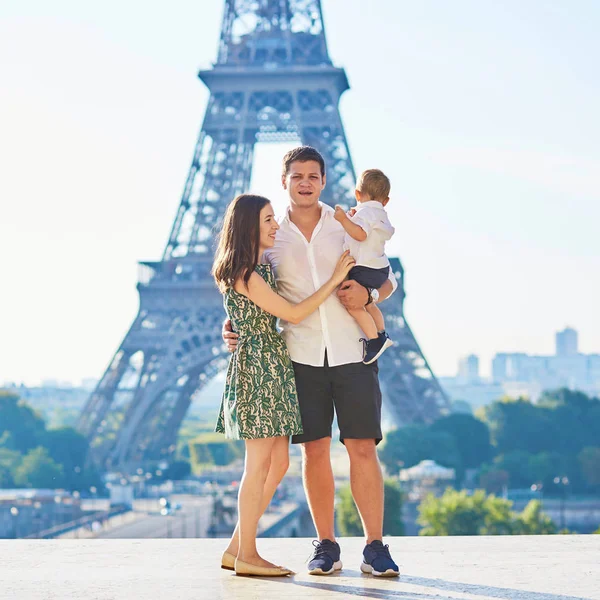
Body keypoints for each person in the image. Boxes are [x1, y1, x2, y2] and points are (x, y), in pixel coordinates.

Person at [223, 147, 400, 578]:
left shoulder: (348, 225)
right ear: (284, 181)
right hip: (298, 355)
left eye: (313, 176)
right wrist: (231, 327)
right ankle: (327, 545)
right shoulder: (269, 235)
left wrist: (371, 296)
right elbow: (246, 290)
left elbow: (387, 277)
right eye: (297, 175)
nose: (305, 182)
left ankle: (375, 547)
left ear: (323, 181)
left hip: (352, 349)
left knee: (362, 448)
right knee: (314, 451)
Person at [212, 193, 355, 577]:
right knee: (257, 465)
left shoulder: (257, 267)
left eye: (275, 218)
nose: (276, 225)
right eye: (268, 220)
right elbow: (291, 312)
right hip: (259, 369)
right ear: (248, 227)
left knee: (278, 461)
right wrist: (335, 280)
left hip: (272, 365)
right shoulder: (247, 272)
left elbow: (253, 312)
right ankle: (249, 555)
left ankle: (236, 547)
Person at [333, 168, 395, 364]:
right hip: (380, 269)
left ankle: (375, 340)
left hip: (364, 268)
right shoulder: (380, 214)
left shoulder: (365, 212)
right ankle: (381, 332)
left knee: (354, 304)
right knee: (368, 302)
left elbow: (360, 234)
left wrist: (344, 219)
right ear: (386, 201)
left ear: (357, 194)